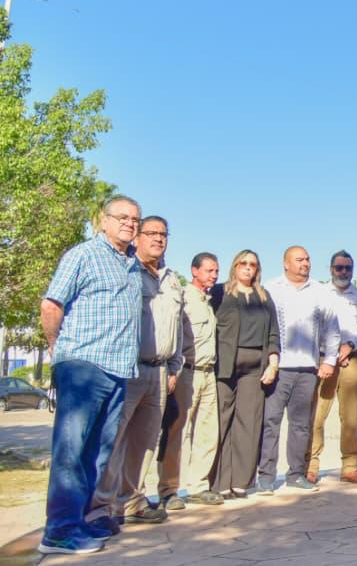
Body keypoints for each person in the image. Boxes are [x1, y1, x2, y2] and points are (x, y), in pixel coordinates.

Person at [38, 196, 144, 555]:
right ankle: (59, 531)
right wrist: (58, 349)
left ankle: (79, 520)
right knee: (71, 449)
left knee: (97, 453)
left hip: (118, 369)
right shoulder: (83, 254)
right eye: (122, 217)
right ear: (104, 220)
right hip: (84, 366)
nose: (129, 224)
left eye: (134, 220)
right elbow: (52, 304)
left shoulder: (131, 264)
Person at [88, 214, 183, 528]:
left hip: (158, 372)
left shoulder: (171, 279)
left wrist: (174, 367)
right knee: (113, 440)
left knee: (145, 442)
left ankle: (132, 501)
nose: (158, 239)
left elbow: (177, 329)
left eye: (163, 234)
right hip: (127, 368)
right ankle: (103, 507)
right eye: (151, 233)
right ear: (138, 237)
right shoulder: (126, 271)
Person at [256, 246, 339, 493]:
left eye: (307, 259)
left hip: (307, 369)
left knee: (301, 424)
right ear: (285, 264)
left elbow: (332, 329)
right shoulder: (271, 289)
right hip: (278, 368)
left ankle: (295, 473)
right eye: (299, 259)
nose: (305, 263)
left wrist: (329, 360)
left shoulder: (320, 292)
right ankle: (266, 477)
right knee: (271, 421)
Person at [154, 252, 224, 509]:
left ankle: (198, 486)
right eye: (209, 271)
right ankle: (168, 490)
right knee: (176, 432)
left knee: (207, 433)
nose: (213, 276)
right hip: (187, 372)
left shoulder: (209, 300)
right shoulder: (183, 296)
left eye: (216, 271)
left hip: (208, 372)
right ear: (194, 271)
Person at [211, 250, 280, 497]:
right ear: (235, 266)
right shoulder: (220, 292)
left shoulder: (264, 296)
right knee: (222, 420)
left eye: (252, 264)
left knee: (249, 423)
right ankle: (219, 482)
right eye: (243, 263)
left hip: (255, 368)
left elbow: (273, 332)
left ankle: (241, 481)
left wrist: (273, 363)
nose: (248, 268)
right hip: (225, 365)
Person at [308, 250, 357, 484]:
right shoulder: (319, 293)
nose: (343, 272)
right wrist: (332, 353)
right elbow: (312, 326)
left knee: (350, 417)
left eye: (348, 268)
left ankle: (350, 466)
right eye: (339, 267)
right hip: (324, 360)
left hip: (351, 359)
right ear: (331, 269)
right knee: (316, 415)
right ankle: (311, 465)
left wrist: (349, 346)